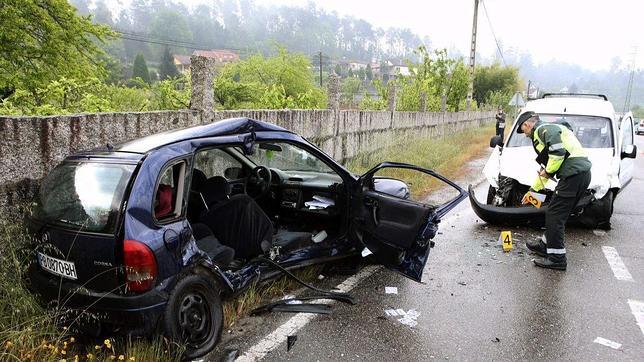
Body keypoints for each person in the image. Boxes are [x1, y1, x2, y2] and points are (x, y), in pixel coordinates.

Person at [516, 111, 592, 270]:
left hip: (573, 175)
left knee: (555, 215)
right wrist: (532, 191)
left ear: (527, 124)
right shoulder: (548, 131)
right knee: (556, 213)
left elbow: (557, 155)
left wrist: (549, 172)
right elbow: (546, 168)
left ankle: (557, 259)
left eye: (522, 130)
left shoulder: (543, 130)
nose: (524, 134)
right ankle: (545, 246)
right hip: (579, 175)